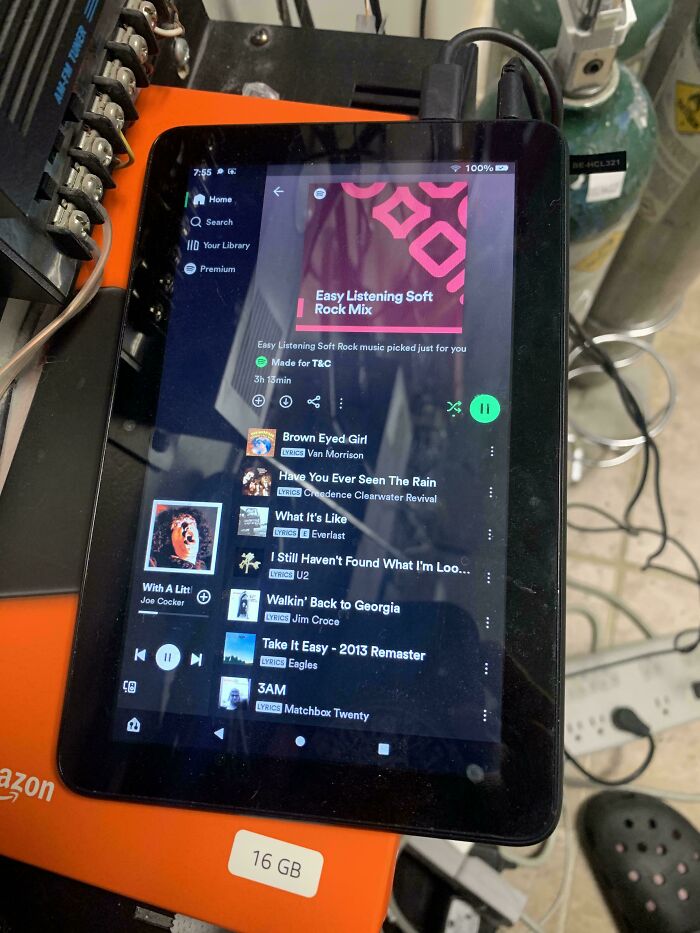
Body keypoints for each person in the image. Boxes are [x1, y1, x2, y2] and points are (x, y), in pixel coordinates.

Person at [149, 506, 213, 571]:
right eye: (182, 525)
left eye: (192, 524)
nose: (188, 527)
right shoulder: (154, 566)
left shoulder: (208, 567)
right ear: (168, 538)